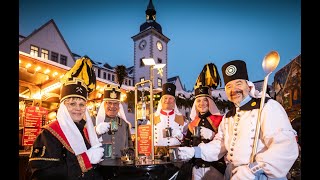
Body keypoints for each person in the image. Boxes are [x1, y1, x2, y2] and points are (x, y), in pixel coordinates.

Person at [178, 60, 299, 179]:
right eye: (229, 86)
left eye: (239, 84)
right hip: (232, 173)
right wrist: (195, 151)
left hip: (261, 175)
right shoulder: (229, 116)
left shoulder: (267, 106)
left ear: (248, 85)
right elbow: (219, 145)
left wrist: (253, 170)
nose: (234, 90)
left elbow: (286, 146)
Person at [28, 77, 104, 180]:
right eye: (72, 104)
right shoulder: (49, 134)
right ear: (63, 107)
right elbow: (41, 175)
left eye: (82, 104)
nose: (78, 108)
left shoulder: (86, 132)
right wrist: (85, 160)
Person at [177, 85, 225, 180]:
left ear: (210, 102)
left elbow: (225, 142)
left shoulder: (220, 120)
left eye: (205, 100)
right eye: (198, 101)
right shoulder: (193, 123)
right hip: (196, 167)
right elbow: (187, 143)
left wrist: (212, 135)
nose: (202, 103)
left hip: (214, 167)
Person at [94, 85, 133, 159]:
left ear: (119, 106)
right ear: (104, 105)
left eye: (115, 103)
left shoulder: (124, 124)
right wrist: (96, 130)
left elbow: (130, 146)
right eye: (109, 103)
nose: (112, 106)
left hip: (120, 167)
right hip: (100, 166)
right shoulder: (94, 121)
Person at [153, 82, 186, 161]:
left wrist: (179, 134)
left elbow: (186, 137)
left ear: (174, 102)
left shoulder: (180, 117)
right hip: (157, 152)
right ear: (161, 101)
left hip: (176, 151)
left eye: (170, 98)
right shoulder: (153, 117)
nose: (168, 101)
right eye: (165, 98)